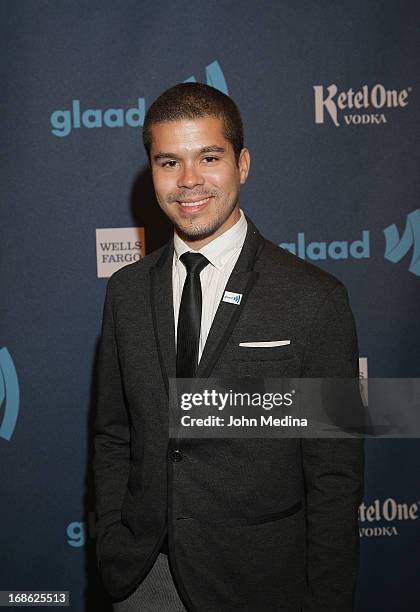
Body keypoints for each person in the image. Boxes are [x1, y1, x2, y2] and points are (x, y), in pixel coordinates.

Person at [93, 82, 364, 612]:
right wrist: (112, 537)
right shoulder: (125, 292)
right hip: (142, 577)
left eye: (208, 157)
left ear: (242, 164)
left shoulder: (315, 298)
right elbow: (113, 434)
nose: (188, 181)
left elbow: (335, 473)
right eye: (169, 162)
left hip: (258, 582)